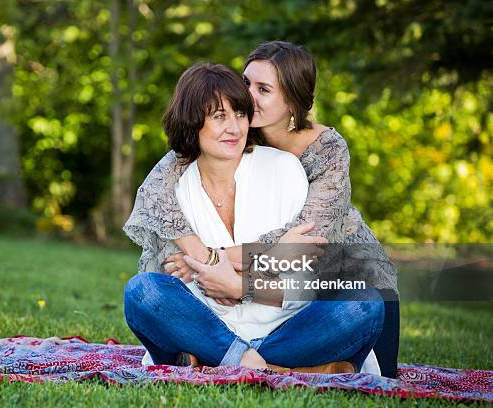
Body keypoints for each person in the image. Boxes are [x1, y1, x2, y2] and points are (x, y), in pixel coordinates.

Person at [124, 41, 400, 378]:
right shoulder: (224, 137)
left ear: (292, 102)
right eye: (245, 83)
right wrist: (204, 257)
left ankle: (229, 359)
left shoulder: (322, 152)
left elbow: (311, 248)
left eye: (263, 89)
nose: (247, 97)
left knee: (365, 309)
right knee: (144, 291)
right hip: (248, 304)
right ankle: (268, 365)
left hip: (342, 270)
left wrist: (219, 266)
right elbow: (154, 188)